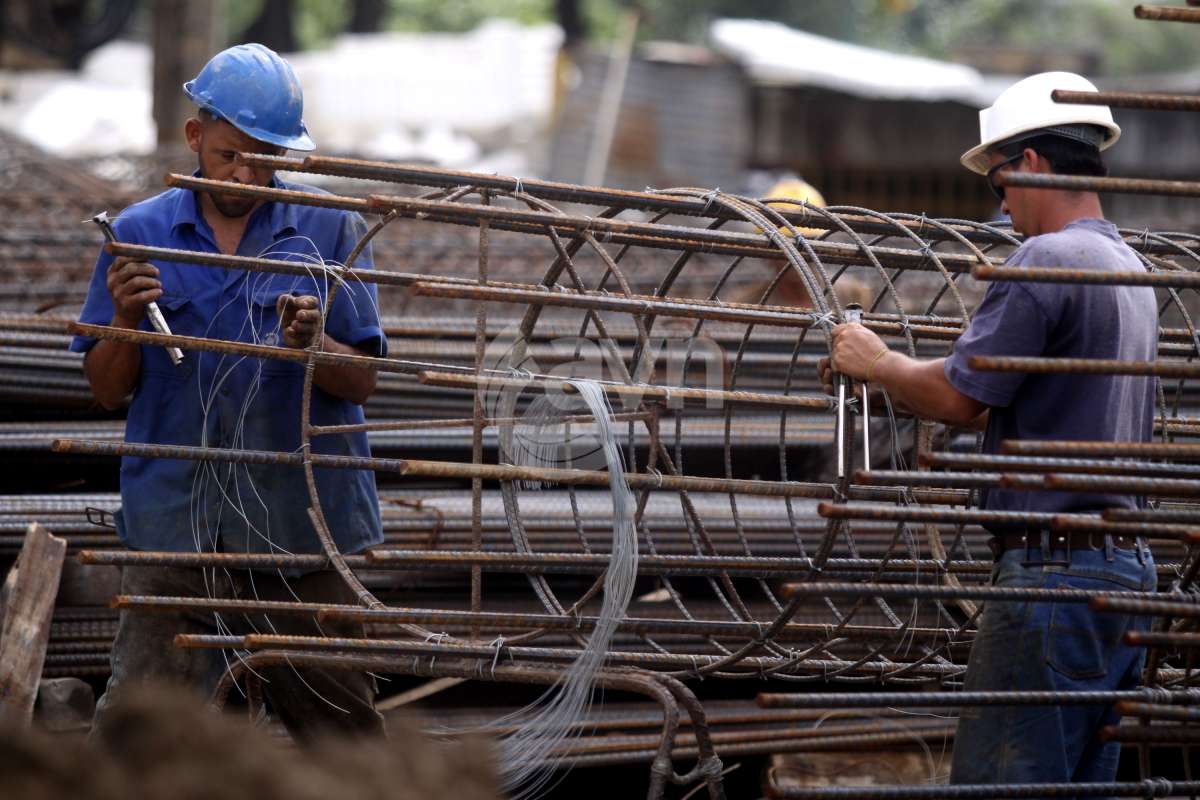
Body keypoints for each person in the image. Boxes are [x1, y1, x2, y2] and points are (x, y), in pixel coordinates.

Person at [819, 72, 1156, 788]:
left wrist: (876, 361)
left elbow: (958, 396)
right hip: (1123, 577)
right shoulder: (1129, 269)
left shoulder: (1047, 258)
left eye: (1000, 184)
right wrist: (893, 378)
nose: (1002, 207)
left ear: (1031, 163)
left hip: (1054, 578)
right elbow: (993, 393)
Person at [71, 43, 387, 738]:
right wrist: (124, 319)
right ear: (195, 137)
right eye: (229, 155)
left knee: (343, 738)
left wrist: (314, 345)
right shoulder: (139, 234)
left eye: (265, 157)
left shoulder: (331, 228)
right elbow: (106, 390)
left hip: (298, 530)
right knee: (139, 738)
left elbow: (363, 379)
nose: (247, 173)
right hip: (175, 531)